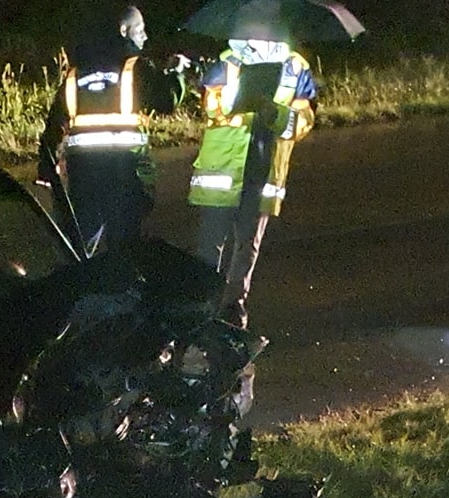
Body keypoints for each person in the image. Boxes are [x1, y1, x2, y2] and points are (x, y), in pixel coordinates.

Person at [188, 35, 317, 329]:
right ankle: (202, 306)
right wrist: (238, 102)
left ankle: (233, 308)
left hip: (264, 170)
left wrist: (276, 113)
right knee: (210, 245)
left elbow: (304, 121)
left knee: (248, 245)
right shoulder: (227, 62)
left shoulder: (296, 67)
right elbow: (210, 107)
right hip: (223, 171)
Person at [36, 6, 187, 254]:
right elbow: (166, 101)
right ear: (123, 31)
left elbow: (55, 123)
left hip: (83, 174)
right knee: (124, 247)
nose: (145, 36)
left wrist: (46, 164)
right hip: (125, 173)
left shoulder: (74, 74)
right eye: (140, 30)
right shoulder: (134, 67)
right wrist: (176, 73)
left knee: (79, 244)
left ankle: (79, 277)